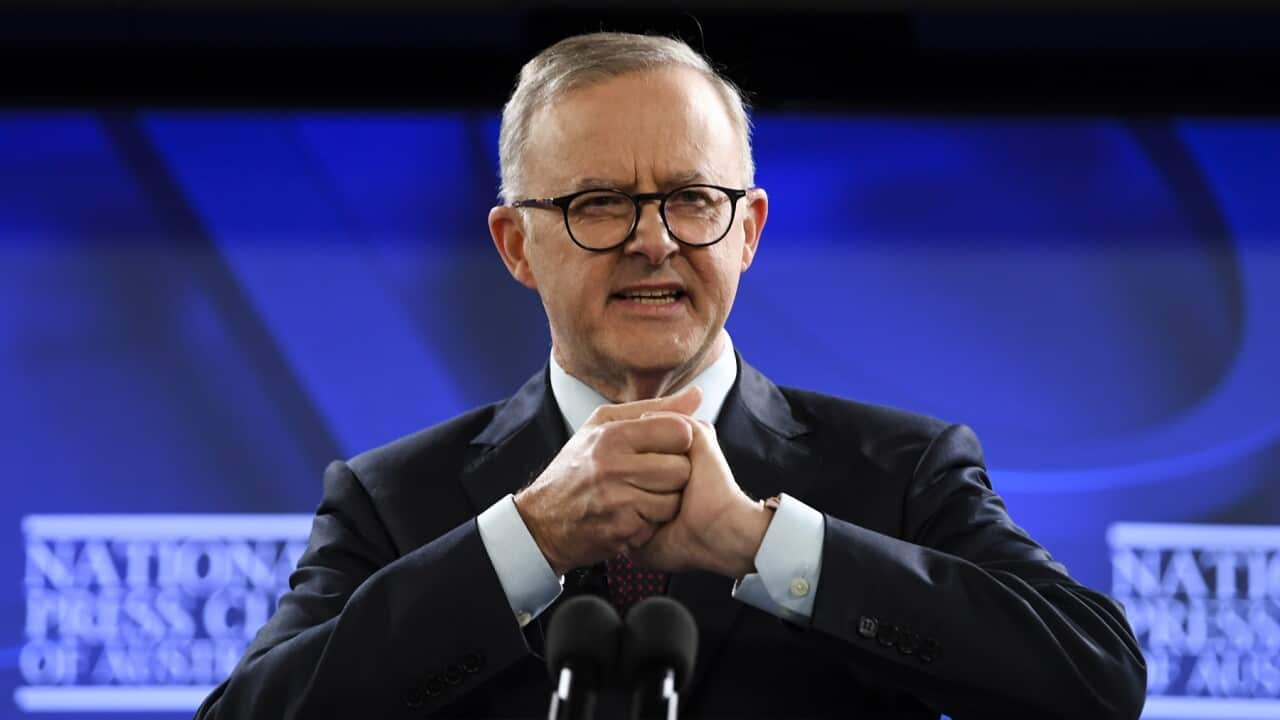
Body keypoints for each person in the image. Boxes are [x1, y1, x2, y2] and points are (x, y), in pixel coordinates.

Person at [195, 32, 1146, 719]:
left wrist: (763, 544)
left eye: (692, 199)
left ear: (749, 231)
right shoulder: (395, 498)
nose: (654, 241)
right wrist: (528, 537)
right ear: (515, 244)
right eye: (599, 203)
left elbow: (1095, 676)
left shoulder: (899, 471)